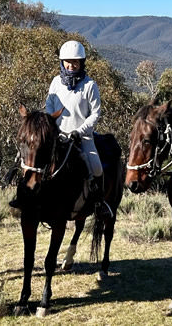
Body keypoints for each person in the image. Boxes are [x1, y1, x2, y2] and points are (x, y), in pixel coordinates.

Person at [45, 40, 113, 220]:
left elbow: (95, 113)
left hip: (82, 137)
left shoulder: (90, 85)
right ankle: (28, 198)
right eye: (68, 61)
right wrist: (54, 128)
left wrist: (79, 131)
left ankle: (99, 204)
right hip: (58, 136)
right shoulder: (55, 83)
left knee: (97, 168)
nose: (71, 65)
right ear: (62, 62)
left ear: (82, 63)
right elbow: (49, 106)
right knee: (36, 160)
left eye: (75, 61)